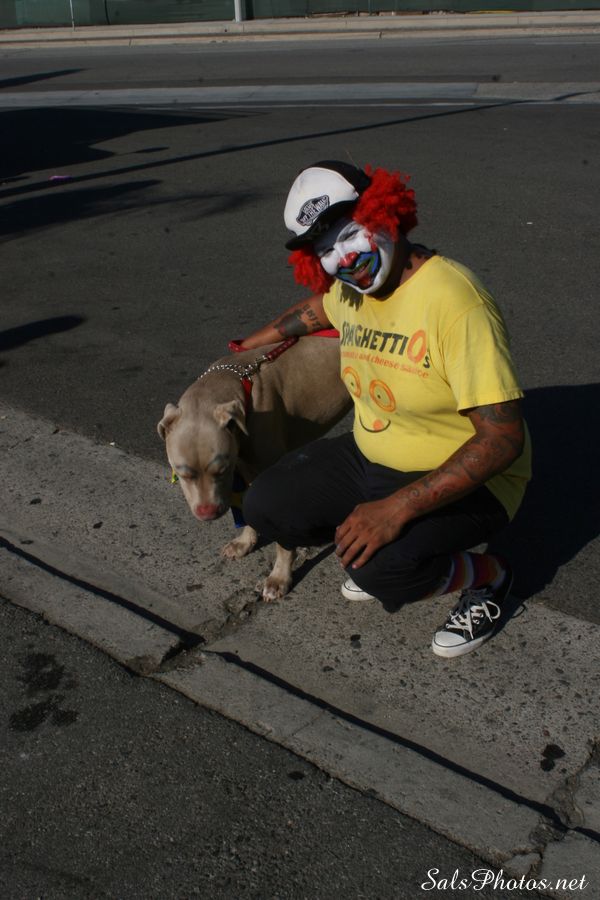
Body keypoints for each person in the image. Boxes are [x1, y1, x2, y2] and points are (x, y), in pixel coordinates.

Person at [236, 160, 531, 658]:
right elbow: (313, 312)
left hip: (474, 478)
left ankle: (491, 578)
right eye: (326, 251)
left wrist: (396, 510)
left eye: (352, 234)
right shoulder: (352, 291)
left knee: (381, 570)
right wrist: (244, 349)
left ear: (384, 212)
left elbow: (503, 439)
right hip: (375, 455)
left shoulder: (455, 301)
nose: (346, 259)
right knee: (264, 504)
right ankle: (377, 550)